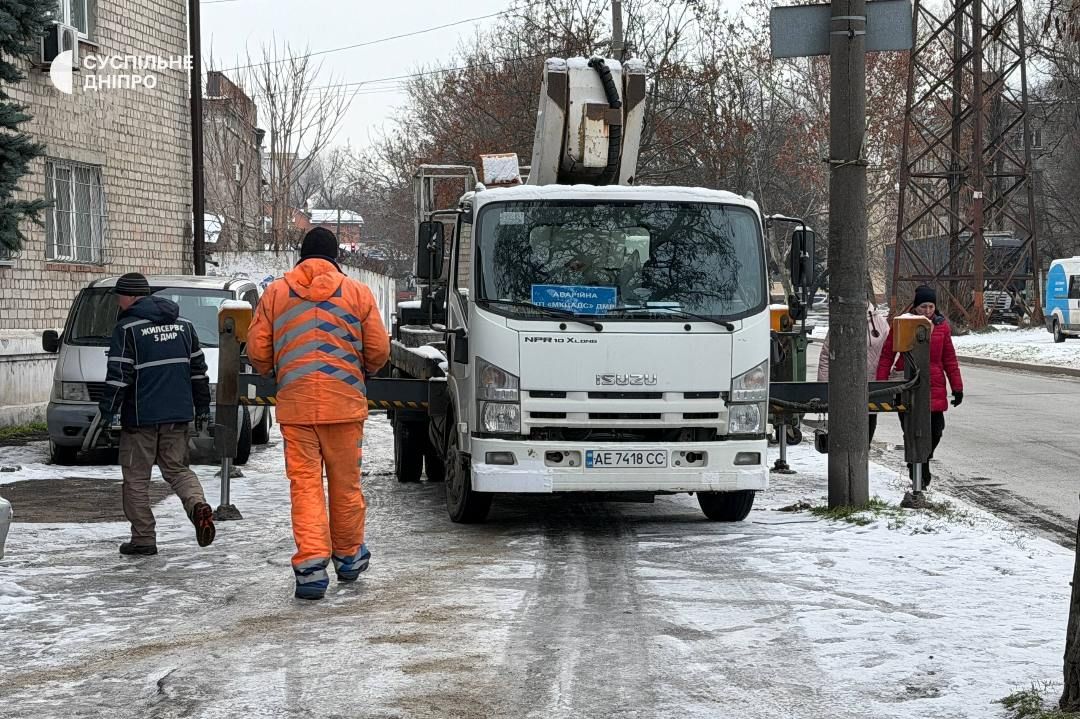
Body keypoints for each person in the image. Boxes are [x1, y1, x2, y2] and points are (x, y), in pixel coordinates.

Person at [247, 228, 390, 600]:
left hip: (297, 409)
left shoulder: (276, 293)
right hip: (344, 405)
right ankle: (347, 557)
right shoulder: (356, 292)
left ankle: (311, 568)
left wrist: (275, 372)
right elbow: (378, 350)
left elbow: (258, 351)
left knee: (306, 486)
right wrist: (361, 371)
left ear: (301, 256)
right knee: (346, 485)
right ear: (335, 257)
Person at [95, 272, 216, 556]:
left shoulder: (128, 329)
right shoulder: (185, 327)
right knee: (177, 470)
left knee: (136, 479)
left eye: (119, 297)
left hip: (140, 420)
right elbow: (199, 373)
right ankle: (197, 505)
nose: (118, 303)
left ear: (131, 297)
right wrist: (200, 408)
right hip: (178, 416)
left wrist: (107, 412)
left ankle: (143, 539)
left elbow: (118, 377)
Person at [875, 285, 964, 488]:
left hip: (934, 385)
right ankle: (917, 466)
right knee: (912, 430)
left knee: (936, 430)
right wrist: (882, 386)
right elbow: (887, 355)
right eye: (923, 306)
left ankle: (921, 460)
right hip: (907, 385)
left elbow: (949, 359)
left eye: (931, 306)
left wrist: (957, 387)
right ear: (916, 307)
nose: (927, 311)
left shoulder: (942, 327)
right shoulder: (902, 324)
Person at [817, 297, 891, 444]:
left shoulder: (880, 323)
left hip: (871, 387)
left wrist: (886, 382)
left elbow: (889, 354)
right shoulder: (839, 324)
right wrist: (823, 385)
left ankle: (862, 463)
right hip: (843, 387)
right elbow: (826, 355)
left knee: (866, 434)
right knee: (844, 435)